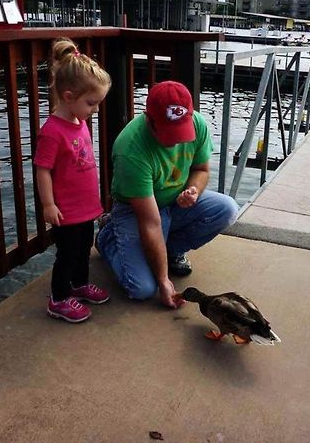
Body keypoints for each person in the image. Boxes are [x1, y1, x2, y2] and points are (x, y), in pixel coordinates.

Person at [96, 80, 238, 309]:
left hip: (174, 202)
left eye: (181, 130)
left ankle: (171, 249)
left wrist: (193, 190)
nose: (176, 140)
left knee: (227, 209)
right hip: (137, 211)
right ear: (148, 119)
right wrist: (163, 280)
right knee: (142, 289)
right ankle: (107, 237)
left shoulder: (198, 123)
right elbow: (150, 222)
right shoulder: (130, 149)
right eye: (168, 132)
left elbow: (201, 170)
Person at [34, 38, 112, 323]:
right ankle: (58, 298)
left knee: (83, 250)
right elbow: (43, 169)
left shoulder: (79, 123)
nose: (95, 109)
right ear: (68, 96)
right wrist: (48, 204)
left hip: (85, 207)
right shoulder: (52, 131)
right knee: (66, 255)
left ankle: (78, 285)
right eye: (91, 103)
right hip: (65, 210)